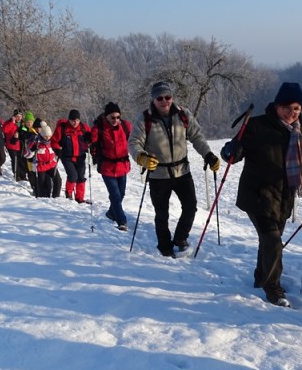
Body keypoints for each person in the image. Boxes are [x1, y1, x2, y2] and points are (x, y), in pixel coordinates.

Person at [220, 82, 302, 307]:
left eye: (296, 108)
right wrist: (231, 151)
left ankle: (261, 276)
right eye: (287, 107)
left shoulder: (299, 132)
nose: (291, 113)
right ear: (277, 106)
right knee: (272, 240)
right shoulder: (257, 126)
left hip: (283, 198)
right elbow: (234, 151)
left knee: (269, 241)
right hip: (257, 195)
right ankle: (272, 286)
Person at [128, 81, 220, 257]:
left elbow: (197, 136)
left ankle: (180, 238)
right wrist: (141, 157)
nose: (164, 101)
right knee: (161, 214)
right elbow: (134, 143)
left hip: (182, 171)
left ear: (172, 97)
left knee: (191, 207)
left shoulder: (183, 114)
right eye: (160, 98)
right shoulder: (145, 119)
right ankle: (164, 246)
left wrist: (208, 154)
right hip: (158, 174)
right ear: (153, 100)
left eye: (168, 97)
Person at [91, 102, 132, 231]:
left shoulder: (125, 126)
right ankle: (122, 221)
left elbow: (135, 139)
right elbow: (91, 141)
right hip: (107, 167)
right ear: (106, 117)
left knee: (121, 194)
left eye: (118, 117)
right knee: (115, 195)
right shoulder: (99, 128)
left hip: (123, 166)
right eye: (112, 117)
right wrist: (87, 140)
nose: (116, 120)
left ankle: (111, 213)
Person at [51, 109, 92, 203]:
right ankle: (69, 194)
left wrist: (90, 141)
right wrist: (57, 150)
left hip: (81, 156)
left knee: (81, 177)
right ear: (69, 120)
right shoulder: (63, 128)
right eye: (73, 120)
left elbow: (92, 138)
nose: (75, 122)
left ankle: (79, 198)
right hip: (67, 157)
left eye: (77, 120)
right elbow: (54, 141)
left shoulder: (83, 128)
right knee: (73, 176)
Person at [24, 121, 58, 198]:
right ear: (42, 135)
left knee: (57, 180)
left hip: (51, 164)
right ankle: (41, 198)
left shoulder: (51, 142)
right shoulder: (36, 141)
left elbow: (56, 150)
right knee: (42, 184)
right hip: (40, 166)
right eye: (46, 136)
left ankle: (56, 197)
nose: (47, 138)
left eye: (49, 136)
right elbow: (26, 155)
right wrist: (32, 150)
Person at [2, 108, 27, 181]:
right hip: (11, 145)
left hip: (21, 145)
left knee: (21, 160)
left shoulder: (22, 123)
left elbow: (25, 131)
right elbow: (5, 130)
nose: (19, 118)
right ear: (14, 116)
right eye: (17, 116)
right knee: (15, 160)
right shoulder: (9, 122)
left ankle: (23, 175)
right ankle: (17, 175)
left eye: (20, 116)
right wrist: (12, 122)